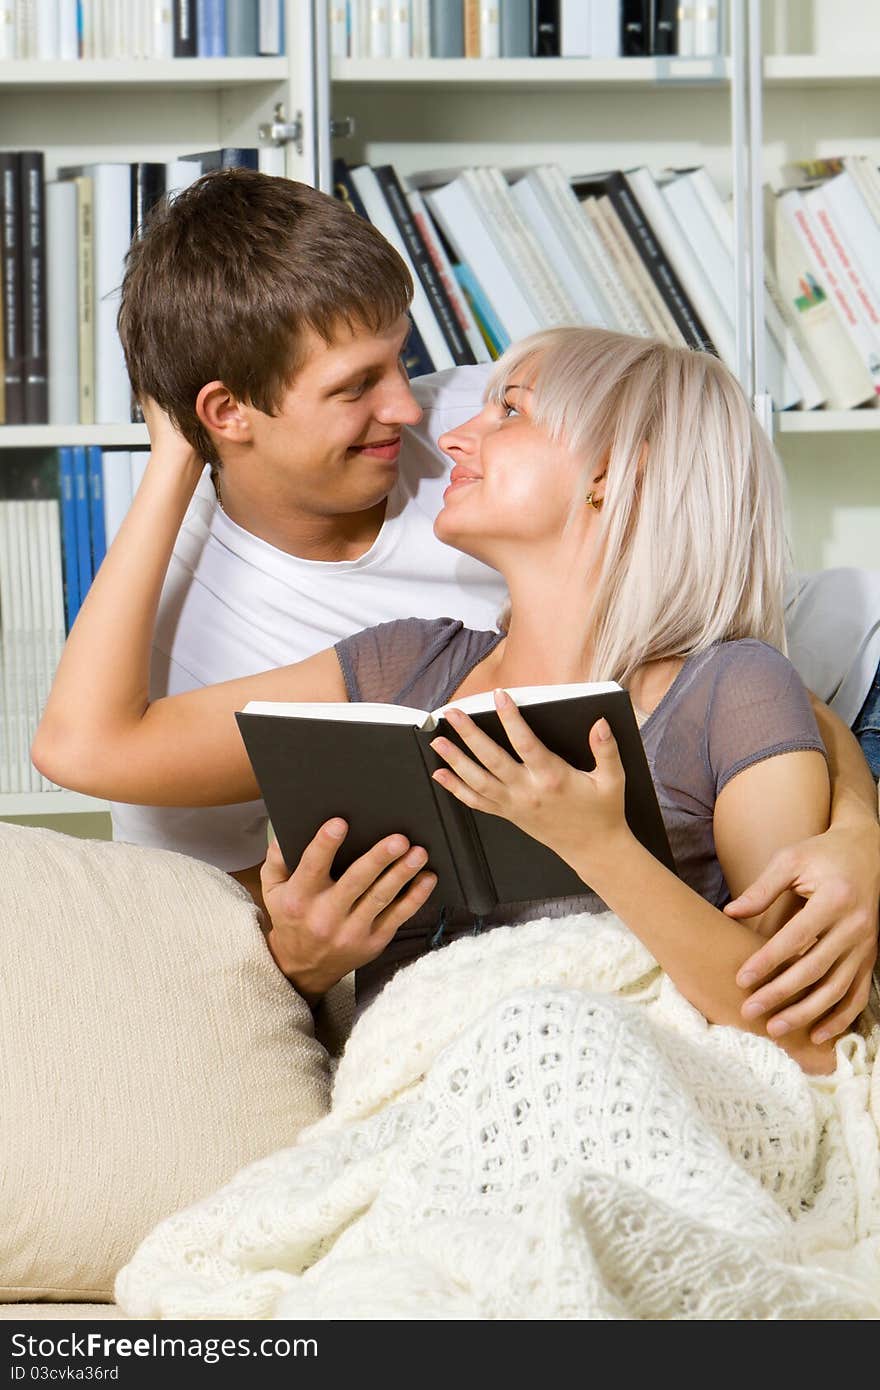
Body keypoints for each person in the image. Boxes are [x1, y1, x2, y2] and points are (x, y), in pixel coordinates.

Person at [69, 169, 880, 1043]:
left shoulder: (466, 427)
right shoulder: (352, 650)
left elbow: (754, 664)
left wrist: (861, 831)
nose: (420, 414)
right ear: (225, 415)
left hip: (844, 689)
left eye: (404, 358)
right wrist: (171, 460)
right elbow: (93, 756)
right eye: (355, 387)